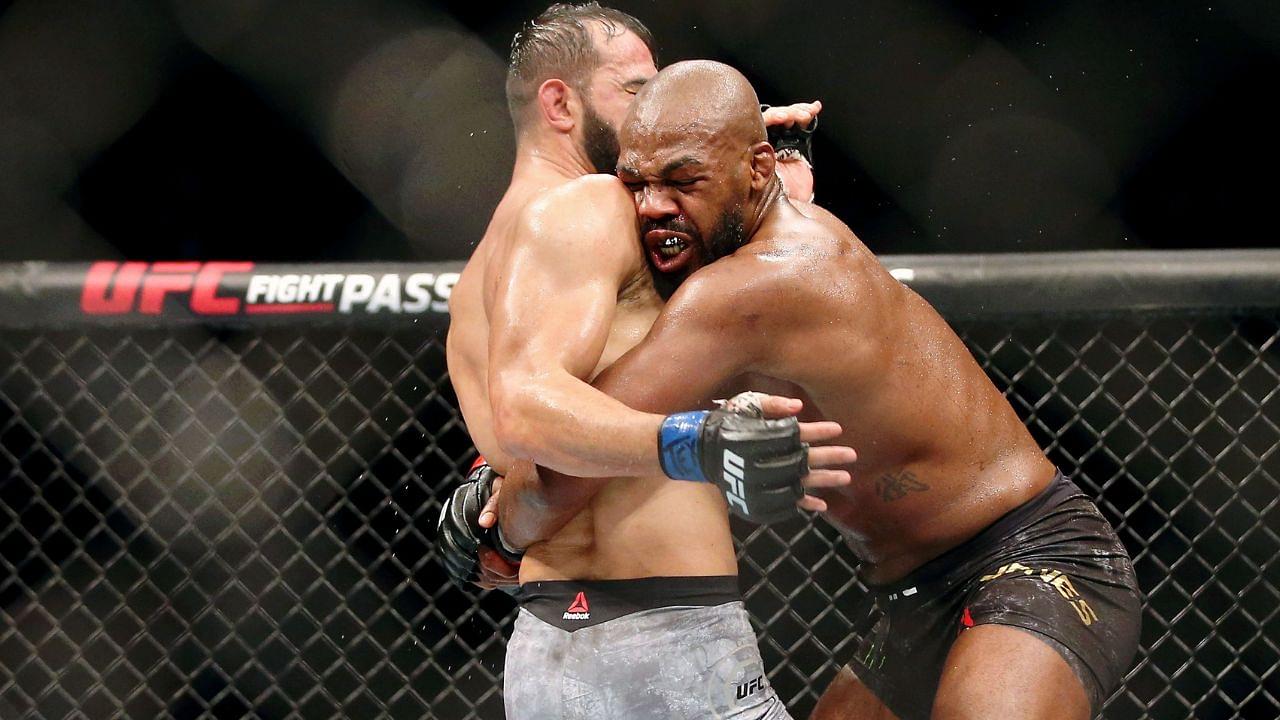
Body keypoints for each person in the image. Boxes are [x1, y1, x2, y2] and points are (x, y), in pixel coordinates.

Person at [491, 60, 1143, 720]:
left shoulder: (758, 286)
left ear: (757, 171)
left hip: (1033, 560)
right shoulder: (750, 244)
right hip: (917, 597)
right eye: (637, 182)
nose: (655, 205)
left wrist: (493, 529)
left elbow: (557, 477)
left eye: (684, 181)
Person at [437, 4, 852, 718]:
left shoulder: (480, 273)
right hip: (670, 629)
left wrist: (766, 196)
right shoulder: (594, 209)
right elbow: (529, 411)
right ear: (559, 102)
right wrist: (700, 442)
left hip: (546, 644)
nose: (656, 107)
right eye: (634, 89)